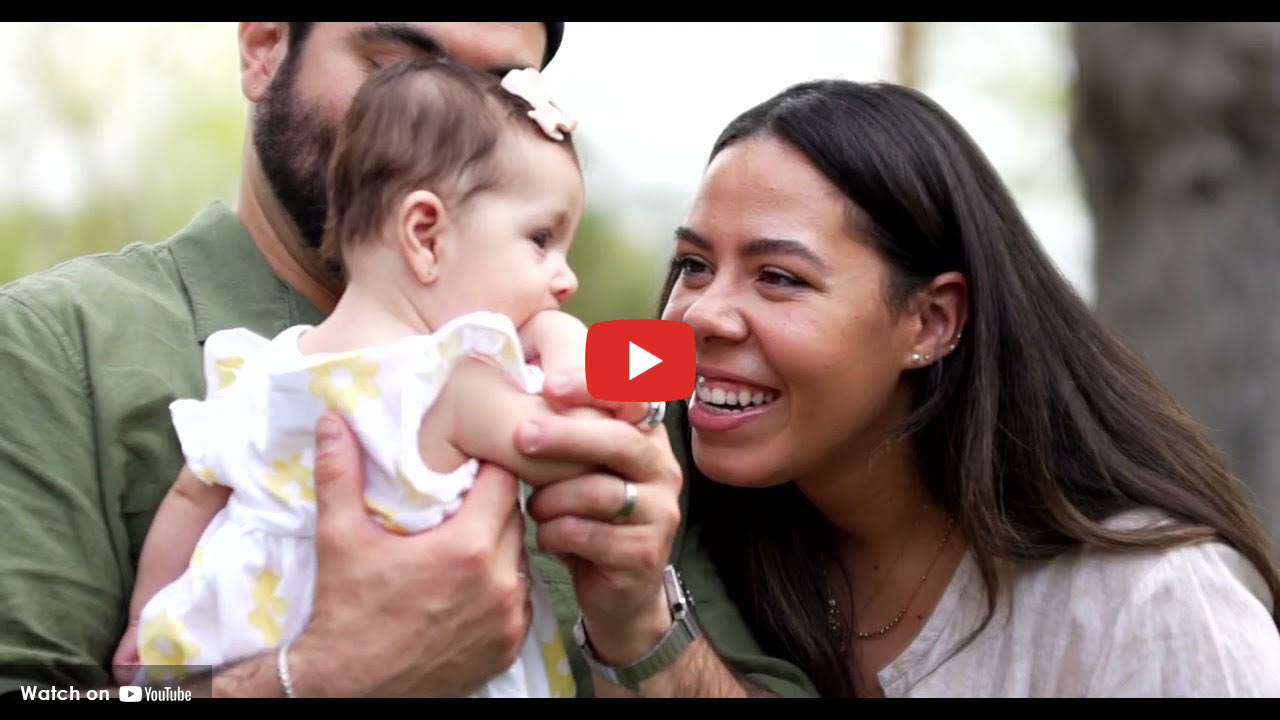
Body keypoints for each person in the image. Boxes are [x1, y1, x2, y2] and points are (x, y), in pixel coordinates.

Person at [0, 23, 817, 699]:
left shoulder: (594, 380)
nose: (451, 125)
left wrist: (640, 623)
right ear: (264, 45)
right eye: (398, 65)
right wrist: (313, 679)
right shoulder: (54, 347)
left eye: (500, 92)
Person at [633, 77, 1280, 696]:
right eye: (694, 264)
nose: (701, 315)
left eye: (778, 277)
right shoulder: (678, 532)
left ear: (931, 321)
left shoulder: (1151, 605)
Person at [112, 57, 605, 698]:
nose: (566, 279)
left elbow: (191, 497)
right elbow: (575, 448)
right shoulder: (450, 384)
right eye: (541, 239)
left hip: (243, 648)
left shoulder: (261, 370)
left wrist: (145, 623)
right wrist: (566, 343)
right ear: (425, 235)